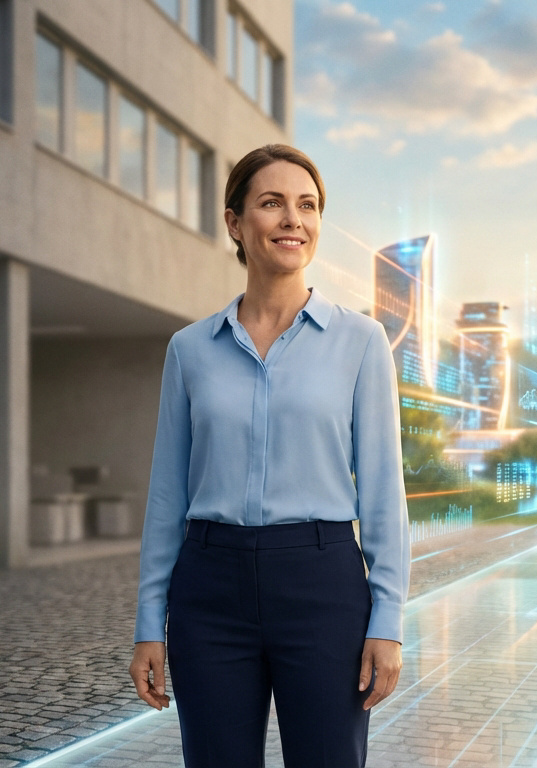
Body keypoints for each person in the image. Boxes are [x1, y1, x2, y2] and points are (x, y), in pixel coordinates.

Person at [128, 144, 410, 768]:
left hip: (321, 581)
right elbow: (168, 494)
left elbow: (385, 494)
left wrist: (386, 620)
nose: (293, 219)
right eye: (272, 203)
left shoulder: (361, 343)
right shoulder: (189, 350)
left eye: (307, 206)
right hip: (209, 588)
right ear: (235, 222)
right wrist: (151, 620)